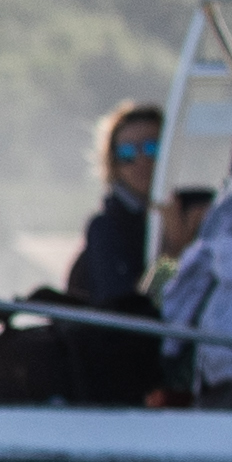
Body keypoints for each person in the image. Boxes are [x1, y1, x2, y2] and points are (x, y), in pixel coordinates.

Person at [65, 104, 165, 314]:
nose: (141, 160)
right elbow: (126, 311)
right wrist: (172, 252)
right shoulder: (105, 228)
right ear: (113, 163)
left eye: (152, 148)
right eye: (127, 153)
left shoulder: (193, 216)